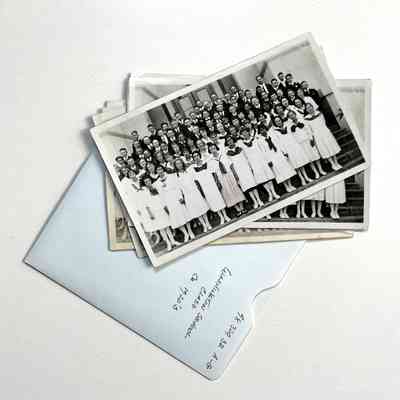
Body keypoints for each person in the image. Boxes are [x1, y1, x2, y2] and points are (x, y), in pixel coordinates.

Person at [153, 165, 195, 242]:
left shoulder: (171, 176)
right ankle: (185, 234)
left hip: (176, 198)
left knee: (184, 214)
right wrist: (164, 205)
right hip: (168, 202)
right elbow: (160, 196)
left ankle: (190, 231)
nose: (160, 171)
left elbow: (177, 187)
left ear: (163, 169)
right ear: (156, 172)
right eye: (158, 170)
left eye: (161, 169)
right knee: (177, 218)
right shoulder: (156, 183)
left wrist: (180, 197)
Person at [239, 129, 279, 202]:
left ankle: (274, 193)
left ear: (248, 132)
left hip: (262, 160)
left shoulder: (255, 140)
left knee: (268, 177)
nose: (245, 134)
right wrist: (250, 167)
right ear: (241, 135)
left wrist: (267, 160)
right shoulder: (242, 145)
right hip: (254, 163)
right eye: (243, 133)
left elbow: (262, 150)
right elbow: (245, 157)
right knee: (262, 179)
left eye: (245, 132)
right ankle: (269, 193)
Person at [271, 116, 313, 186]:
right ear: (275, 123)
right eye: (276, 121)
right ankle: (302, 179)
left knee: (300, 163)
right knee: (295, 166)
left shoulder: (288, 126)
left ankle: (306, 177)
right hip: (287, 149)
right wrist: (284, 152)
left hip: (294, 146)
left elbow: (294, 134)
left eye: (279, 120)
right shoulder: (275, 132)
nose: (278, 122)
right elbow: (279, 143)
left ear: (281, 120)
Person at [174, 158, 211, 232]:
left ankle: (208, 223)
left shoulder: (188, 171)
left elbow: (195, 180)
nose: (179, 165)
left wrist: (199, 189)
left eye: (180, 163)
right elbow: (178, 189)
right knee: (196, 211)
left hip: (195, 192)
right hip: (187, 195)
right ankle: (204, 225)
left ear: (182, 163)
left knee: (202, 208)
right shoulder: (176, 176)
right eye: (177, 164)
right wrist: (181, 197)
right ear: (175, 166)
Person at [192, 151, 230, 224]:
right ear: (193, 159)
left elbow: (214, 173)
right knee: (213, 202)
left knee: (219, 200)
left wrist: (217, 182)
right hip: (205, 188)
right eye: (194, 156)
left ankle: (225, 216)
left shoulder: (207, 163)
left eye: (197, 155)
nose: (196, 157)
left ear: (199, 156)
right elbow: (196, 181)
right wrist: (201, 190)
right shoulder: (194, 169)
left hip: (212, 185)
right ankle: (221, 217)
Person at [208, 143, 246, 215]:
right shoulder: (210, 161)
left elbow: (231, 166)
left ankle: (242, 208)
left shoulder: (223, 155)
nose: (213, 150)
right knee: (228, 193)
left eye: (214, 148)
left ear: (216, 148)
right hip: (221, 178)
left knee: (236, 189)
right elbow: (214, 173)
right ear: (210, 151)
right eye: (211, 149)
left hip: (229, 175)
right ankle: (238, 209)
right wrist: (217, 182)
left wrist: (235, 175)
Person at [225, 136, 263, 209]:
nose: (230, 142)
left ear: (233, 140)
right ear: (227, 143)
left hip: (246, 168)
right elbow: (231, 165)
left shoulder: (240, 147)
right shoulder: (228, 153)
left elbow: (246, 158)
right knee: (247, 187)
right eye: (228, 141)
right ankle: (255, 201)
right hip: (239, 171)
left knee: (253, 185)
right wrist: (235, 174)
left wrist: (250, 167)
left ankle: (259, 200)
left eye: (230, 140)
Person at [287, 110, 327, 178]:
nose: (292, 116)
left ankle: (321, 170)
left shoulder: (302, 120)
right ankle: (316, 172)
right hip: (301, 144)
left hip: (308, 140)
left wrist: (311, 139)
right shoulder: (290, 126)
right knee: (309, 159)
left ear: (295, 114)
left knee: (315, 156)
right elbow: (292, 136)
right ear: (289, 117)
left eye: (292, 114)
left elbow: (308, 129)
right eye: (290, 116)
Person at [256, 126, 297, 193]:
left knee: (285, 169)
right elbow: (263, 152)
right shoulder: (260, 141)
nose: (263, 131)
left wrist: (284, 152)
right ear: (260, 132)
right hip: (271, 157)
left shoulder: (272, 135)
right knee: (279, 172)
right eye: (261, 130)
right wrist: (268, 160)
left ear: (266, 129)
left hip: (278, 154)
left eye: (264, 129)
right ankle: (286, 187)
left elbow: (279, 144)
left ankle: (290, 185)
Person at [141, 175, 175, 252]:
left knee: (167, 226)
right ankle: (168, 243)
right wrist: (150, 214)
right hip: (154, 212)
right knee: (161, 228)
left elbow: (161, 198)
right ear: (144, 183)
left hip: (161, 209)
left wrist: (165, 207)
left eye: (149, 181)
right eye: (146, 182)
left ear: (151, 181)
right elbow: (146, 204)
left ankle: (173, 241)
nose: (148, 182)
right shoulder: (144, 192)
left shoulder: (155, 188)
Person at [304, 103, 342, 170]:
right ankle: (332, 164)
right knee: (325, 149)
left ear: (312, 107)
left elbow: (323, 122)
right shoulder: (306, 119)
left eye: (310, 107)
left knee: (331, 146)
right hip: (317, 135)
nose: (309, 109)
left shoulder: (319, 113)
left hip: (325, 132)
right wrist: (311, 138)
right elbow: (309, 129)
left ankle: (336, 163)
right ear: (306, 110)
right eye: (307, 108)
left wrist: (325, 130)